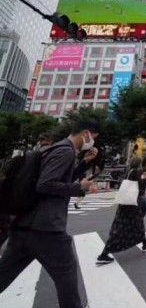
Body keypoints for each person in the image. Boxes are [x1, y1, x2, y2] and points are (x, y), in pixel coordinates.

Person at [0, 118, 100, 308]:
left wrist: (83, 164)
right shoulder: (65, 151)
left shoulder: (54, 149)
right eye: (93, 137)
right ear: (85, 133)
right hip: (45, 227)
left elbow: (57, 178)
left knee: (4, 274)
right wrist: (78, 188)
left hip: (24, 225)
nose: (92, 142)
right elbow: (45, 185)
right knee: (67, 274)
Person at [96, 157, 146, 264]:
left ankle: (145, 243)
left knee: (137, 224)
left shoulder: (129, 171)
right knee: (122, 228)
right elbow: (140, 187)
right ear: (139, 164)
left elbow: (132, 187)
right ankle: (104, 254)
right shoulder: (135, 172)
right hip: (131, 205)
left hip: (126, 204)